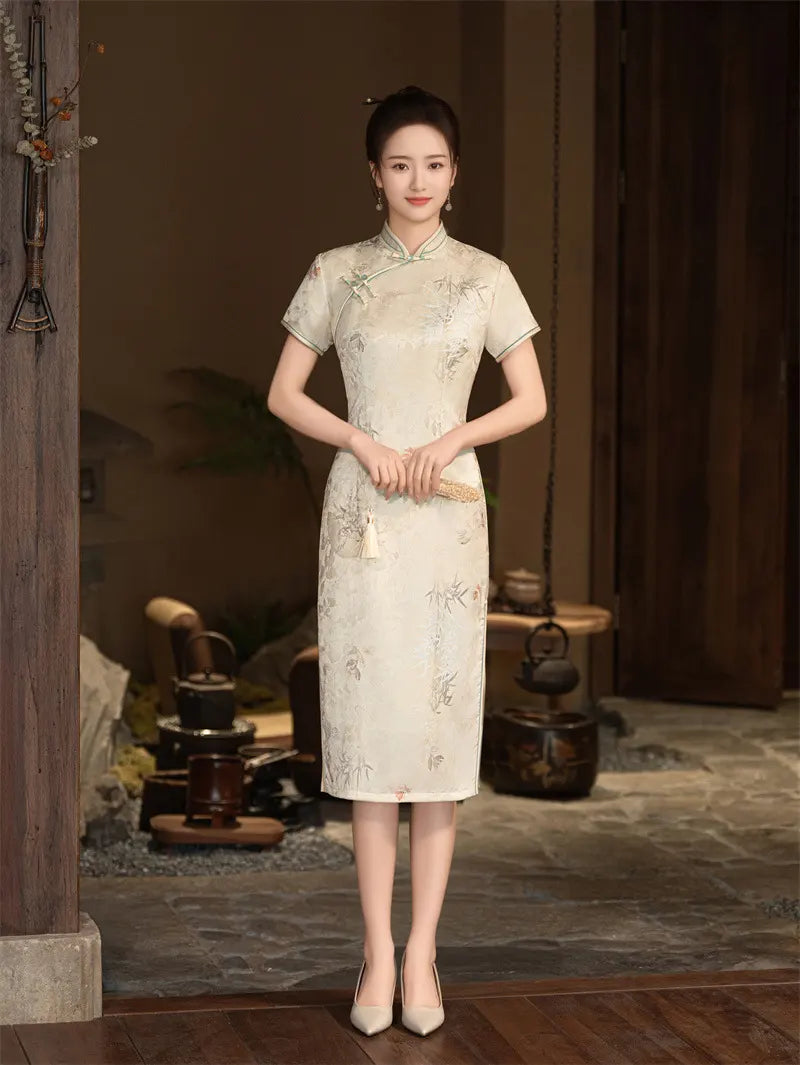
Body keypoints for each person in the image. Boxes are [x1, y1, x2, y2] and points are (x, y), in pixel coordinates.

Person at [267, 85, 547, 1038]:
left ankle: (423, 946)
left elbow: (531, 399)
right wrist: (361, 439)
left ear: (454, 174)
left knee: (434, 736)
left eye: (433, 164)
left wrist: (452, 437)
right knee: (371, 738)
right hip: (365, 521)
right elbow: (285, 393)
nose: (417, 180)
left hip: (446, 521)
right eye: (399, 165)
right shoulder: (337, 272)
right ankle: (376, 950)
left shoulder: (486, 277)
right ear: (374, 174)